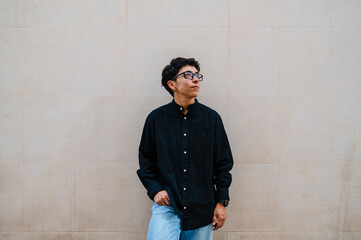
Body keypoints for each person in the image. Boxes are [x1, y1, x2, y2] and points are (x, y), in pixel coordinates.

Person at [137, 57, 234, 240]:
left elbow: (223, 164)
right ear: (172, 84)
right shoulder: (156, 119)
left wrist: (221, 202)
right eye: (188, 75)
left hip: (203, 208)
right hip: (167, 205)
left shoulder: (211, 119)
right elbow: (146, 161)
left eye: (197, 75)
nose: (196, 79)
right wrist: (155, 190)